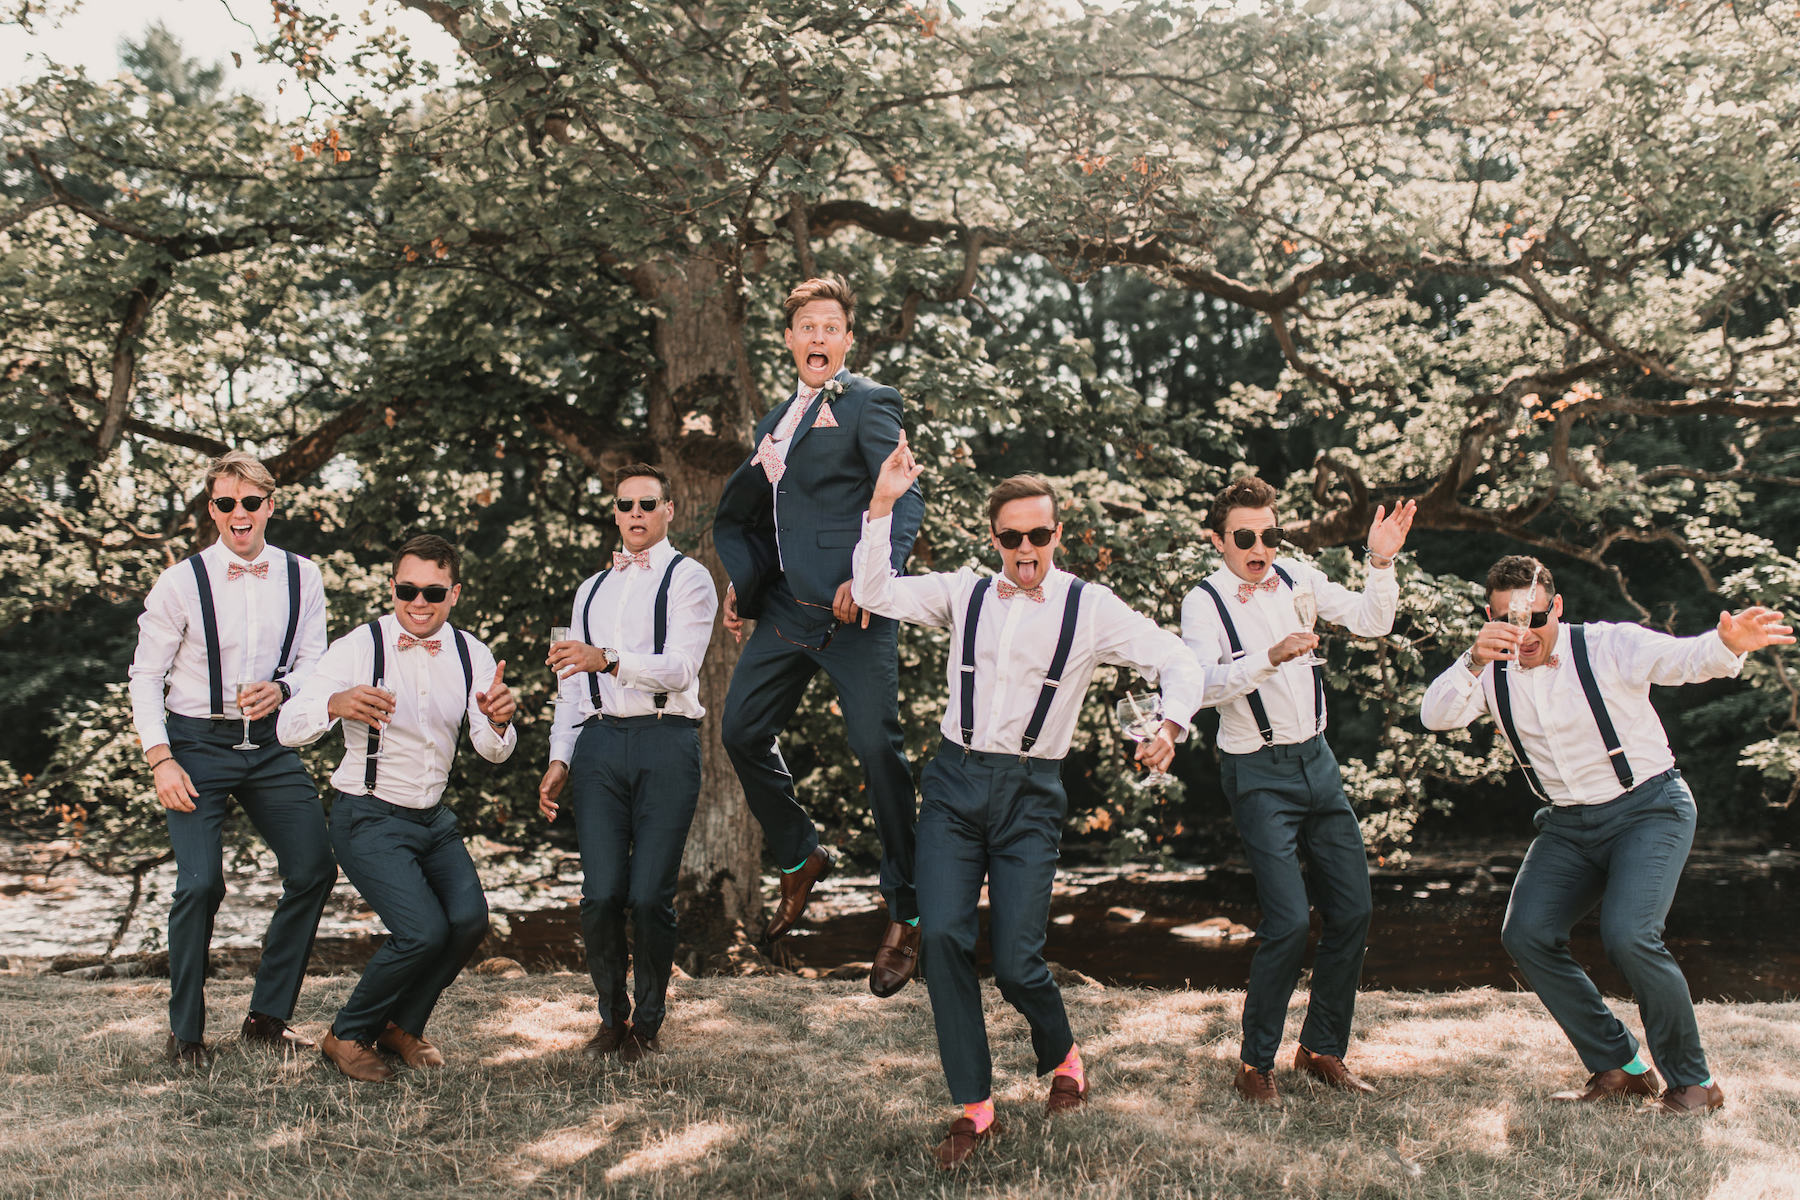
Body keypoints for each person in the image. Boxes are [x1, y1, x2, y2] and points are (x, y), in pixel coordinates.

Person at [852, 439, 1207, 1169]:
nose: (1025, 549)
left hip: (1032, 797)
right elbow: (876, 590)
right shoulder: (963, 592)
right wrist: (882, 504)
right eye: (1011, 536)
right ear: (994, 538)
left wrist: (1171, 725)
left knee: (1016, 961)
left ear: (1056, 534)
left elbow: (1178, 657)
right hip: (953, 784)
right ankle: (975, 1111)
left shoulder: (1091, 606)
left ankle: (1065, 1056)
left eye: (1038, 535)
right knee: (945, 939)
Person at [1421, 555, 1792, 1116]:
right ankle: (1620, 1067)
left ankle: (1695, 1084)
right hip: (1568, 824)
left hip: (1648, 808)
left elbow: (1685, 659)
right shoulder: (1487, 669)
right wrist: (1472, 656)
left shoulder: (1607, 645)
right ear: (1491, 617)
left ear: (1558, 607)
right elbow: (1436, 716)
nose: (1524, 634)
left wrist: (1728, 644)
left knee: (1629, 934)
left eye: (1535, 618)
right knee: (1526, 933)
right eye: (1509, 620)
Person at [713, 275, 927, 995]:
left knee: (877, 752)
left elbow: (905, 495)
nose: (817, 338)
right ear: (789, 340)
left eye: (830, 326)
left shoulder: (868, 403)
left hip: (854, 614)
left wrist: (874, 576)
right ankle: (800, 855)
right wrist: (745, 589)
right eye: (806, 326)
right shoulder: (776, 419)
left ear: (846, 340)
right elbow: (761, 516)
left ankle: (907, 910)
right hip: (784, 611)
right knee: (739, 731)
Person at [1179, 475, 1415, 1103]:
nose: (1261, 547)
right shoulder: (1203, 602)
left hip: (1318, 761)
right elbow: (1202, 686)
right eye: (1246, 537)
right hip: (1256, 772)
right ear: (1218, 540)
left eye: (1270, 533)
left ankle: (1321, 1048)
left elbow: (1373, 622)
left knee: (1354, 909)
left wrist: (1381, 561)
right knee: (1286, 921)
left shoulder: (1299, 578)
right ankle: (1255, 1064)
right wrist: (1271, 656)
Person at [278, 534, 517, 1082]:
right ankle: (346, 1033)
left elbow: (491, 749)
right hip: (368, 816)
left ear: (454, 593)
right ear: (392, 587)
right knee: (422, 933)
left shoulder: (471, 654)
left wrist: (501, 721)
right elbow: (288, 726)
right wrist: (334, 705)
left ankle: (400, 1025)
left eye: (433, 591)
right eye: (407, 589)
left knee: (467, 922)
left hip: (432, 818)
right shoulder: (360, 647)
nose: (419, 601)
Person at [128, 449, 336, 1064]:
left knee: (313, 868)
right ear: (212, 510)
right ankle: (185, 1036)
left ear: (270, 506)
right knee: (200, 884)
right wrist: (160, 758)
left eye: (250, 502)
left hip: (271, 745)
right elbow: (144, 675)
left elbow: (316, 665)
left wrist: (286, 689)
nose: (239, 514)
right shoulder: (180, 581)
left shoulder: (305, 576)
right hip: (194, 744)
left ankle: (267, 1019)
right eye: (226, 503)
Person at [538, 464, 719, 1062]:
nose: (636, 513)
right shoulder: (590, 590)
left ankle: (648, 1021)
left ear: (669, 509)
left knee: (648, 896)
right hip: (598, 747)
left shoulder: (690, 579)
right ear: (614, 513)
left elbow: (681, 668)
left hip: (666, 742)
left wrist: (608, 658)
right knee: (600, 895)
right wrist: (559, 758)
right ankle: (610, 1017)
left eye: (648, 503)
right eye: (625, 504)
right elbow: (571, 683)